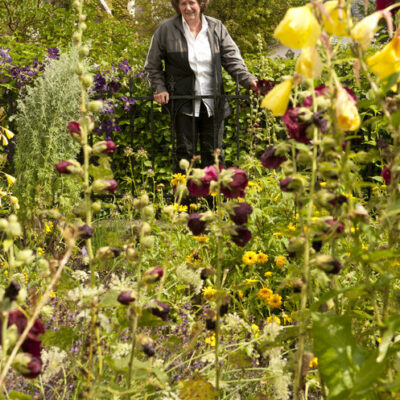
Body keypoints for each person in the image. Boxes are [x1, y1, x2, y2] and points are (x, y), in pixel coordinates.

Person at [144, 0, 257, 170]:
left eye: (192, 2)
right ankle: (184, 194)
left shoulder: (216, 27)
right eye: (183, 3)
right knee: (184, 152)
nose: (188, 8)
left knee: (214, 152)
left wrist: (249, 80)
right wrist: (159, 88)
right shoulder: (166, 29)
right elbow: (152, 65)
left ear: (201, 4)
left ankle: (213, 194)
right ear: (177, 5)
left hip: (212, 100)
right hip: (182, 101)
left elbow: (232, 59)